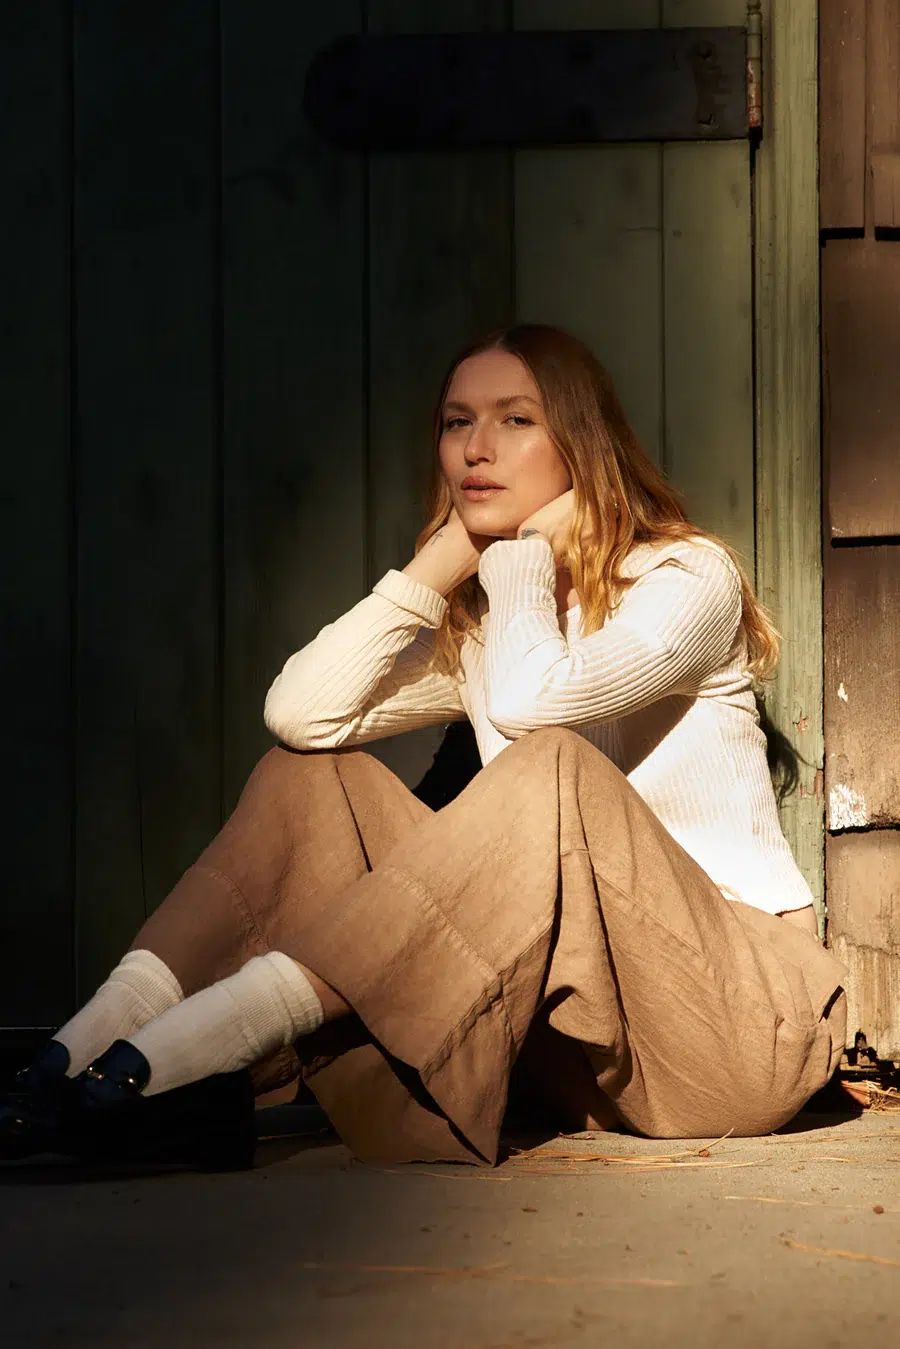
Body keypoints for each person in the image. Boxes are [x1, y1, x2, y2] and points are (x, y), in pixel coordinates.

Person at [1, 323, 846, 1170]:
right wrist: (441, 562)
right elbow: (300, 712)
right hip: (584, 1048)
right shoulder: (489, 624)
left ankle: (187, 1051)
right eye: (456, 422)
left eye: (516, 419)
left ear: (581, 444)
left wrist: (522, 556)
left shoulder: (684, 578)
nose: (477, 448)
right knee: (310, 778)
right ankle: (83, 1054)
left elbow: (533, 709)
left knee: (552, 766)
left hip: (738, 1024)